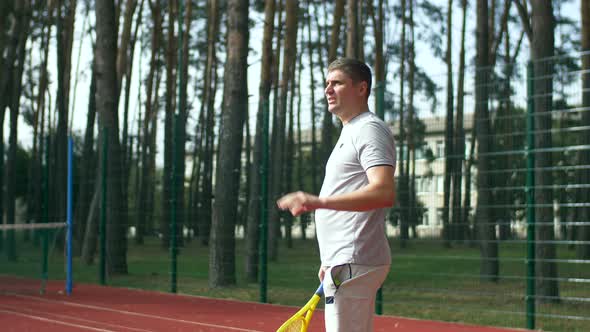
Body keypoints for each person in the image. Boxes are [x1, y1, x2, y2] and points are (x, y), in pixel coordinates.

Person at [277, 58, 396, 332]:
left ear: (361, 88)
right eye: (327, 84)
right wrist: (330, 258)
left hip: (354, 259)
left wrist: (317, 202)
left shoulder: (369, 128)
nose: (328, 90)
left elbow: (384, 191)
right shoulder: (352, 131)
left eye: (337, 83)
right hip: (345, 260)